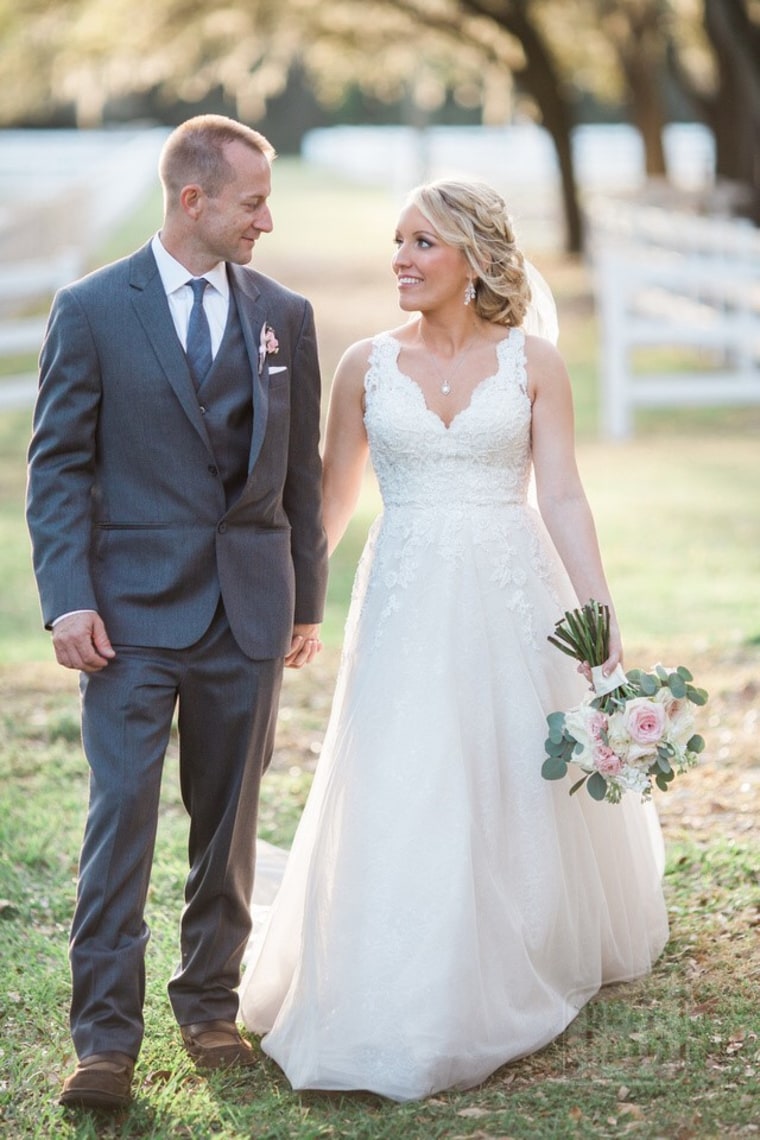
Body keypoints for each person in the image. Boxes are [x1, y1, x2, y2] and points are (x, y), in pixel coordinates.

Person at [238, 179, 669, 1101]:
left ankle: (518, 938)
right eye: (396, 241)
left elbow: (560, 495)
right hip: (406, 596)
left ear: (474, 257)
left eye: (422, 242)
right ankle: (400, 950)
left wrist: (597, 612)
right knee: (411, 767)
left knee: (511, 763)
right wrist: (291, 603)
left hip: (515, 590)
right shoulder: (363, 365)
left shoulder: (535, 363)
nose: (400, 257)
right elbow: (332, 501)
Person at [25, 114, 328, 1111]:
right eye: (252, 203)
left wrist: (305, 602)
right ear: (193, 200)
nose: (267, 221)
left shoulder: (285, 313)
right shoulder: (92, 308)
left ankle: (208, 1006)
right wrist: (67, 599)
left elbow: (298, 478)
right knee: (121, 822)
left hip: (247, 612)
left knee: (228, 823)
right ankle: (102, 1042)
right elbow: (59, 467)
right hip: (126, 621)